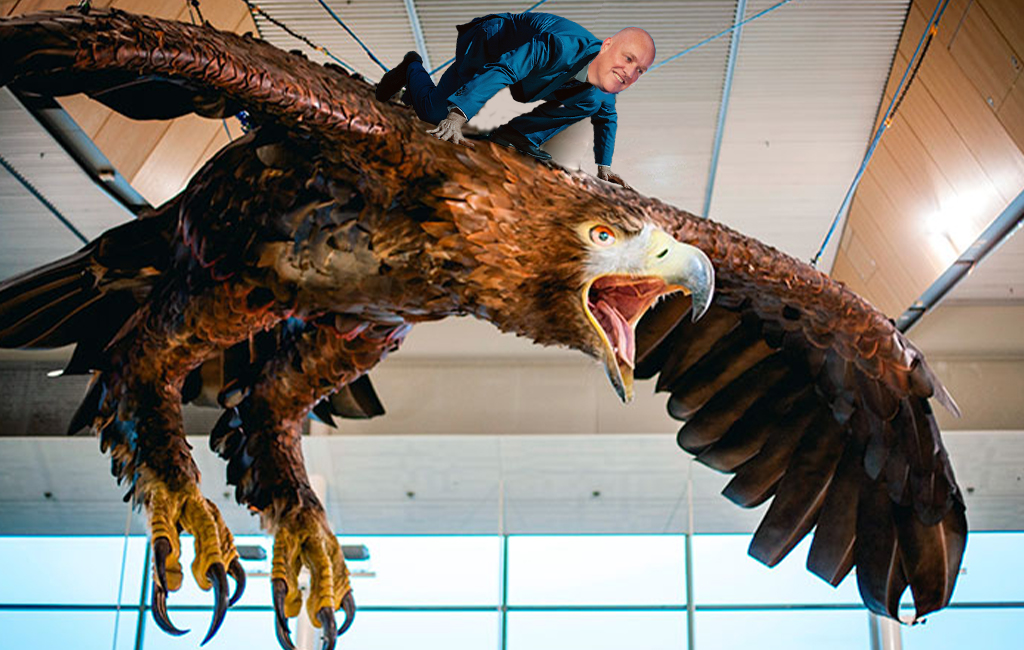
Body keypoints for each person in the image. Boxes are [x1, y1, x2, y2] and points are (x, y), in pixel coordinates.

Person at [375, 12, 655, 189]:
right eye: (628, 59)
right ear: (607, 46)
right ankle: (412, 67)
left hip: (530, 76)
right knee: (434, 113)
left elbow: (607, 117)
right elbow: (505, 68)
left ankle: (518, 135)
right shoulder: (559, 46)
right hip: (492, 46)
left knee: (593, 101)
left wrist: (604, 167)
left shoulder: (606, 84)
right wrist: (458, 115)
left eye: (639, 70)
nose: (630, 73)